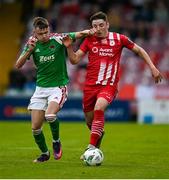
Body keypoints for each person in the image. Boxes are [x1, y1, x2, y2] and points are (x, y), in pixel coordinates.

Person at [63, 11, 163, 158]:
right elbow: (75, 60)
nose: (98, 28)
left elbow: (140, 50)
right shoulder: (89, 40)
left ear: (107, 25)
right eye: (95, 26)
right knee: (90, 122)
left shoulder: (119, 39)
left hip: (109, 85)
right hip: (90, 86)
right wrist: (68, 47)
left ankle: (90, 147)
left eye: (101, 25)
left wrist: (153, 68)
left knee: (99, 108)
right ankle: (98, 137)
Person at [15, 17, 90, 163]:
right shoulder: (31, 44)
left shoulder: (57, 39)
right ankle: (44, 153)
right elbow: (18, 65)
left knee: (50, 116)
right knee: (35, 128)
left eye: (46, 32)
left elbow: (79, 34)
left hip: (57, 87)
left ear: (49, 29)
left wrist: (91, 31)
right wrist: (28, 51)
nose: (44, 36)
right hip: (40, 89)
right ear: (35, 33)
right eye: (41, 33)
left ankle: (56, 141)